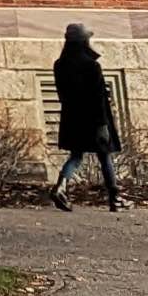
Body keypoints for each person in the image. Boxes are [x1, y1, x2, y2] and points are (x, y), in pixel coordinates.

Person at [51, 22, 125, 210]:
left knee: (76, 156)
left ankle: (60, 186)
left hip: (72, 117)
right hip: (94, 119)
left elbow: (61, 94)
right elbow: (98, 97)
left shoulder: (60, 65)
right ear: (84, 41)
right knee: (104, 156)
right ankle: (114, 198)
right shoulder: (92, 66)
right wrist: (102, 125)